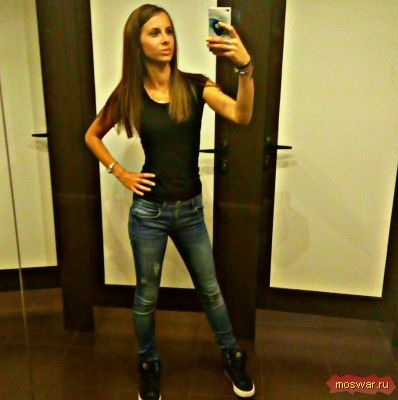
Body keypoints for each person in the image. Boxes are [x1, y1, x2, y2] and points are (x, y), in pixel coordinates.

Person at [85, 4, 254, 400]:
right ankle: (149, 363)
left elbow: (241, 115)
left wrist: (246, 69)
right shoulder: (128, 95)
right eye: (155, 33)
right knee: (147, 297)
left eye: (169, 31)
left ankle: (232, 355)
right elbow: (91, 135)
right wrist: (119, 172)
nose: (166, 40)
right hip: (149, 214)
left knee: (210, 290)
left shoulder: (195, 85)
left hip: (190, 211)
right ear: (137, 44)